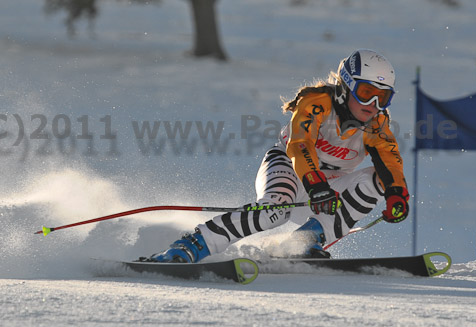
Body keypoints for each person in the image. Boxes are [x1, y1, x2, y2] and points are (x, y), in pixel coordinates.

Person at [144, 49, 409, 263]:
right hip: (290, 167)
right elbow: (299, 145)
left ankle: (305, 241)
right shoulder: (317, 104)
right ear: (346, 86)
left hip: (329, 188)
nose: (373, 105)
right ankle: (191, 247)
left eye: (382, 98)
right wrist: (315, 184)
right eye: (366, 94)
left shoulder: (377, 125)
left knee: (380, 181)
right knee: (275, 211)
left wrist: (398, 194)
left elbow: (391, 163)